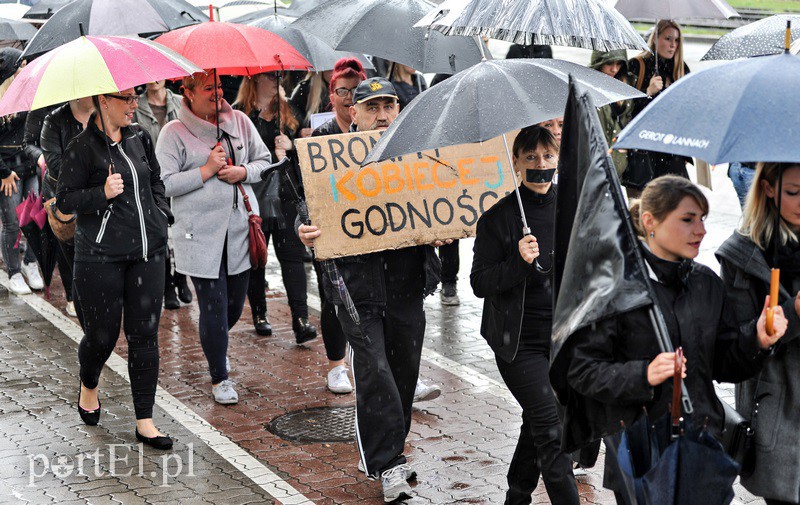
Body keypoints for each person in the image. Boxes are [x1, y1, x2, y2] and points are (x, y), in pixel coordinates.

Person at [558, 175, 787, 500]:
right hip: (641, 450)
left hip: (701, 443)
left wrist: (757, 340)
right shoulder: (616, 289)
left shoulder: (706, 284)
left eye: (702, 220)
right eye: (687, 220)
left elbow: (724, 363)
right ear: (650, 221)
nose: (701, 231)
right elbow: (582, 371)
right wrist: (643, 375)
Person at [298, 77, 444, 503]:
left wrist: (439, 231)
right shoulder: (328, 156)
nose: (382, 116)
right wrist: (303, 229)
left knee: (403, 372)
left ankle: (391, 451)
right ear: (353, 113)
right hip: (355, 288)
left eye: (390, 106)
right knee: (375, 371)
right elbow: (305, 210)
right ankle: (388, 465)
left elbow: (434, 205)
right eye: (373, 107)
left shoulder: (414, 154)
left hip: (406, 283)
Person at [56, 88, 174, 449]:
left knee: (144, 336)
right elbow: (64, 199)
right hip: (99, 259)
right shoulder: (82, 146)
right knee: (102, 337)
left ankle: (145, 421)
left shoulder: (139, 136)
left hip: (148, 254)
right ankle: (89, 382)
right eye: (125, 98)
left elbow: (155, 179)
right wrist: (100, 193)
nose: (134, 104)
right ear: (103, 101)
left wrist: (160, 214)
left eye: (135, 96)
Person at [471, 126, 580, 505]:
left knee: (539, 420)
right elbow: (480, 283)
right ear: (515, 162)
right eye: (530, 157)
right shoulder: (498, 218)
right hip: (518, 345)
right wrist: (517, 261)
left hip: (563, 341)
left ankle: (517, 494)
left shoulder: (573, 210)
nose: (540, 165)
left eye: (548, 157)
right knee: (552, 431)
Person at [156, 71, 272, 405]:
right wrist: (205, 170)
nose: (218, 92)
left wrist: (243, 172)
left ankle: (216, 344)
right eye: (209, 88)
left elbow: (264, 162)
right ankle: (219, 375)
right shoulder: (172, 133)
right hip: (197, 234)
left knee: (234, 305)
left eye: (219, 86)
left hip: (238, 231)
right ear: (187, 93)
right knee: (214, 304)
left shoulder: (239, 121)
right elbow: (163, 184)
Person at [716, 162, 800, 505]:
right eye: (794, 192)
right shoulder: (744, 256)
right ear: (767, 188)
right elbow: (734, 351)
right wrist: (791, 316)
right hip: (781, 420)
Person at [233, 72, 317, 344]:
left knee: (292, 257)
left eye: (277, 77)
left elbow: (306, 150)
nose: (276, 81)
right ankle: (259, 313)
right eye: (269, 77)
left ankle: (300, 319)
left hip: (287, 194)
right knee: (258, 256)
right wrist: (269, 154)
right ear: (254, 80)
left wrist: (291, 148)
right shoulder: (239, 115)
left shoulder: (289, 111)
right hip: (255, 196)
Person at [309, 57, 367, 394]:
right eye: (342, 91)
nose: (349, 97)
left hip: (369, 227)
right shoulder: (323, 136)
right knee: (335, 297)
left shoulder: (374, 132)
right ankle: (336, 366)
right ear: (331, 96)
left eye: (355, 90)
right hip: (332, 227)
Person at [134, 80, 191, 311]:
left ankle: (182, 276)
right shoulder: (136, 106)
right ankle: (167, 285)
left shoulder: (181, 103)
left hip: (180, 177)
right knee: (161, 233)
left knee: (183, 230)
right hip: (152, 180)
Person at [38, 98, 94, 320]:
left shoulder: (103, 114)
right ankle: (73, 297)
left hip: (96, 194)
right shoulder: (54, 121)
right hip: (62, 195)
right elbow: (56, 163)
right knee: (69, 246)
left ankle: (94, 295)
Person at [626, 20, 691, 197]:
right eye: (668, 38)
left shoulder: (681, 70)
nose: (672, 45)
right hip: (644, 153)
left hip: (672, 153)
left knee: (675, 206)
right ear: (655, 39)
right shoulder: (636, 66)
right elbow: (626, 111)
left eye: (677, 40)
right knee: (644, 212)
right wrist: (648, 93)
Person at [0, 49, 43, 295]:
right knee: (12, 223)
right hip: (8, 173)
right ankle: (14, 272)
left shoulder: (27, 97)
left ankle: (30, 264)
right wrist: (4, 172)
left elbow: (33, 135)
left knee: (35, 219)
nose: (23, 71)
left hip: (28, 168)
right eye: (19, 67)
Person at [590, 49, 635, 179]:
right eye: (609, 63)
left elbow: (629, 118)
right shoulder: (588, 86)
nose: (614, 69)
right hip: (595, 160)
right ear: (599, 63)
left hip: (618, 160)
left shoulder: (626, 84)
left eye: (619, 64)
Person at [289, 70, 333, 138]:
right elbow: (293, 121)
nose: (333, 71)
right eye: (329, 68)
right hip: (314, 143)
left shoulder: (351, 90)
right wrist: (300, 133)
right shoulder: (304, 89)